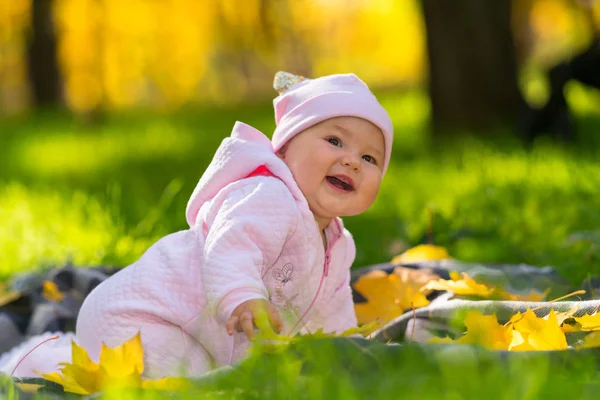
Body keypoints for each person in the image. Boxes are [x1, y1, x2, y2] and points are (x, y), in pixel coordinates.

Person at [74, 71, 394, 378]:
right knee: (202, 383)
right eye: (335, 141)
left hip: (195, 338)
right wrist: (244, 294)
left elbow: (331, 312)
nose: (352, 161)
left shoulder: (339, 242)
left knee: (222, 375)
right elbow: (230, 245)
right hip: (139, 319)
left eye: (369, 158)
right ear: (284, 149)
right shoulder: (268, 195)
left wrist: (345, 353)